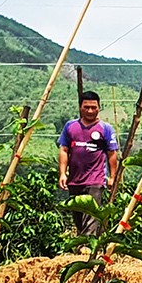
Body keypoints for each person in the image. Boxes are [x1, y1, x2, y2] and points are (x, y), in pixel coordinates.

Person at [58, 91, 120, 236]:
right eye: (86, 107)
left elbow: (112, 154)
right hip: (74, 180)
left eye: (94, 107)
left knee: (91, 215)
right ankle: (82, 247)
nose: (90, 110)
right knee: (78, 217)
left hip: (95, 180)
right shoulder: (70, 127)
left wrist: (112, 177)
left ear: (99, 107)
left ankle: (87, 248)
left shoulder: (106, 128)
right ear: (80, 107)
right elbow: (64, 150)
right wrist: (62, 173)